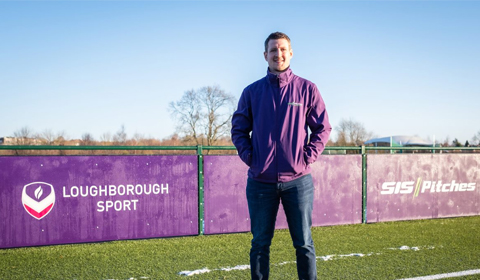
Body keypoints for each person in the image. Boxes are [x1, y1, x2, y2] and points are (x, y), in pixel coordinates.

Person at [231, 32, 332, 280]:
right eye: (273, 50)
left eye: (283, 49)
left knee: (304, 244)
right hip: (260, 181)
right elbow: (238, 129)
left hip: (298, 181)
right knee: (260, 245)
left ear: (291, 52)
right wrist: (251, 157)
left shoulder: (307, 89)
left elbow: (323, 128)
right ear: (265, 55)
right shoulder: (252, 91)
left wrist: (306, 157)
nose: (279, 54)